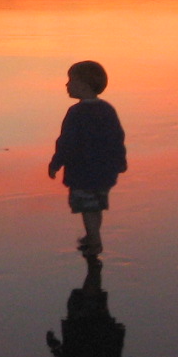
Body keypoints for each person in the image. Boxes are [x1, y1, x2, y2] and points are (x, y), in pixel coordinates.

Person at [47, 60, 126, 255]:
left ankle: (94, 241)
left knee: (87, 207)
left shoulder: (76, 112)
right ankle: (93, 234)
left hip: (84, 171)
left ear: (83, 85)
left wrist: (56, 163)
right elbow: (116, 136)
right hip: (105, 171)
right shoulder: (107, 109)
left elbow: (66, 142)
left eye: (70, 80)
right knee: (95, 206)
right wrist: (120, 161)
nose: (67, 85)